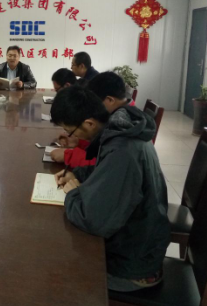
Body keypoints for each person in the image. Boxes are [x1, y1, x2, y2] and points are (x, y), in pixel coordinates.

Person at [51, 86, 169, 292]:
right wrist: (77, 174)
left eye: (70, 131)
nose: (70, 136)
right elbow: (105, 170)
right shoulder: (122, 129)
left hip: (132, 267)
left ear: (89, 123)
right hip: (136, 245)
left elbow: (93, 221)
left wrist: (73, 193)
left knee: (54, 278)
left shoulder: (122, 150)